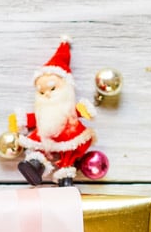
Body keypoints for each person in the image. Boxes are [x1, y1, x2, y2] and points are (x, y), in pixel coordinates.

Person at [15, 37, 96, 186]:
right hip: (44, 137)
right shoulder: (42, 111)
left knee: (68, 156)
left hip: (68, 136)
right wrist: (21, 121)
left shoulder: (69, 108)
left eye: (52, 88)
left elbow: (84, 112)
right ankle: (35, 167)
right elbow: (34, 119)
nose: (47, 94)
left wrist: (85, 111)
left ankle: (65, 179)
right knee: (38, 152)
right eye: (41, 92)